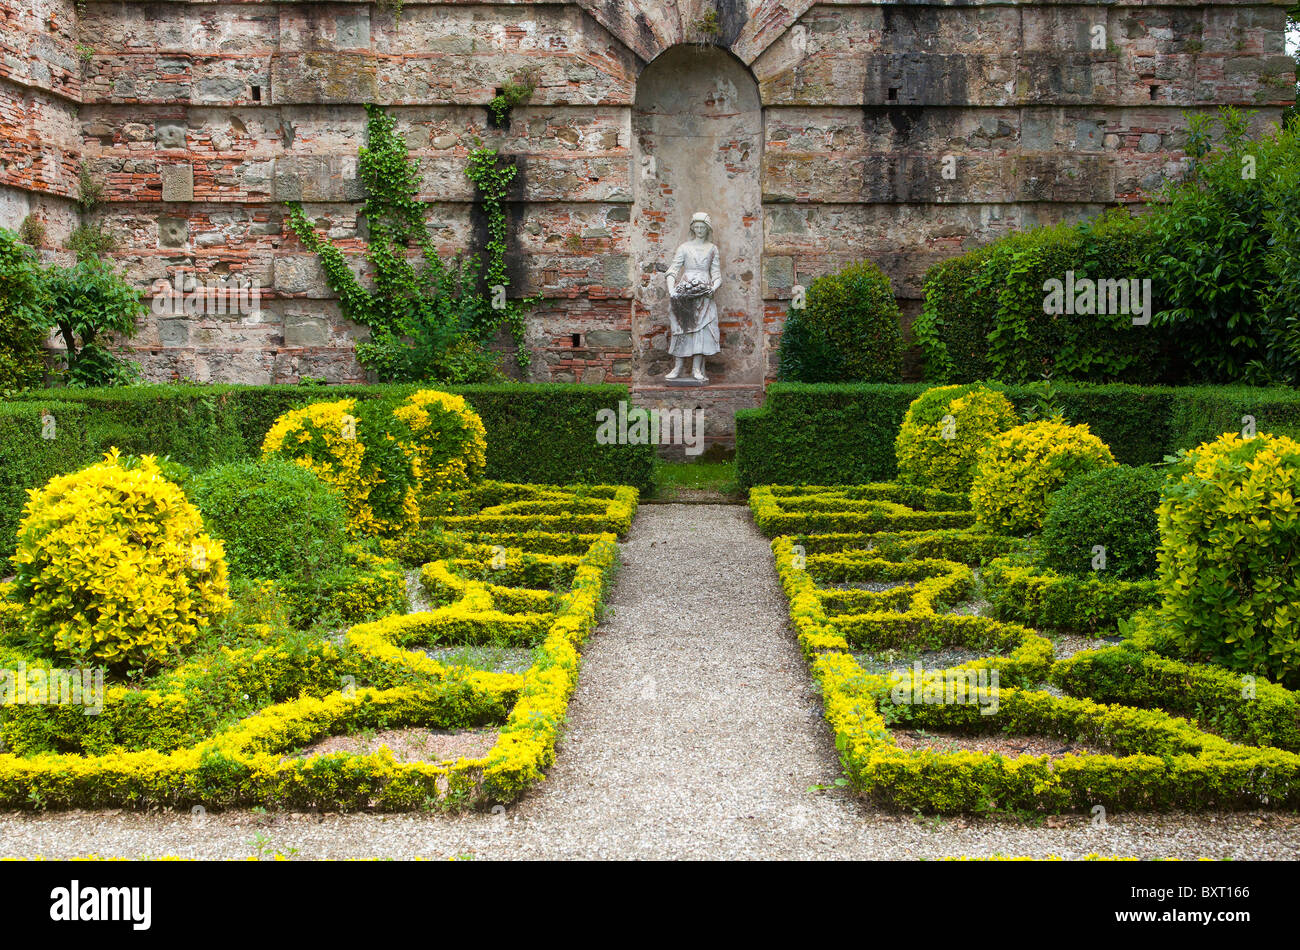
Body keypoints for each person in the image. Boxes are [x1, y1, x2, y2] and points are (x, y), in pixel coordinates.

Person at [665, 212, 721, 382]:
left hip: (704, 292)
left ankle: (697, 369)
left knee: (701, 331)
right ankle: (678, 366)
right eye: (696, 227)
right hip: (685, 291)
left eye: (702, 227)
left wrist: (713, 288)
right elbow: (672, 270)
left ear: (707, 228)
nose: (699, 230)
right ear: (692, 228)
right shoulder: (684, 247)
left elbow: (717, 274)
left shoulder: (712, 249)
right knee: (681, 328)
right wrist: (672, 290)